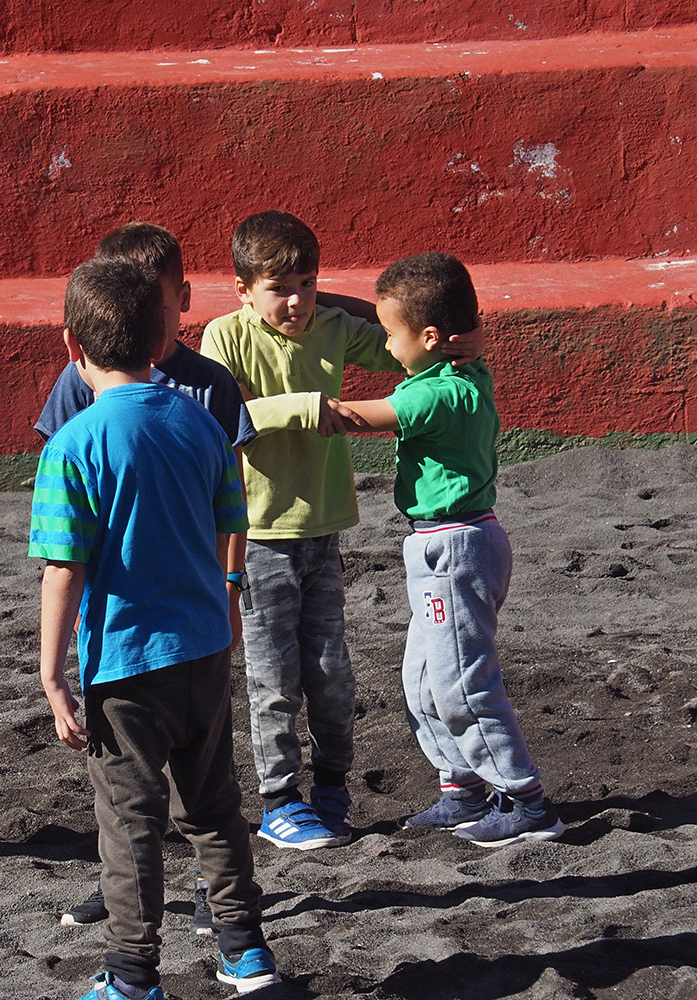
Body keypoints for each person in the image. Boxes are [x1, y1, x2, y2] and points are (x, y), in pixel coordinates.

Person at [31, 257, 279, 999]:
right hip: (203, 648)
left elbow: (64, 568)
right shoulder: (202, 423)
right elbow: (233, 519)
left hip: (125, 662)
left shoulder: (73, 445)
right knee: (214, 805)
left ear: (72, 345)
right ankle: (245, 951)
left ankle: (134, 974)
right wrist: (225, 596)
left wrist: (51, 674)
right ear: (163, 336)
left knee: (129, 821)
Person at [199, 211, 480, 850]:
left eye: (308, 284)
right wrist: (306, 407)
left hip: (323, 529)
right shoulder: (226, 336)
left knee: (330, 670)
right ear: (242, 290)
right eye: (279, 288)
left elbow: (398, 341)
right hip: (259, 534)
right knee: (273, 677)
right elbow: (222, 415)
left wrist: (458, 338)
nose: (297, 301)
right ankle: (279, 800)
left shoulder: (330, 326)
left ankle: (331, 788)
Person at [335, 252, 565, 847]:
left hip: (454, 549)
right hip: (438, 546)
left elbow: (354, 417)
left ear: (433, 337)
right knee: (421, 681)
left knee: (461, 683)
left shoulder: (437, 394)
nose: (386, 346)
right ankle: (463, 788)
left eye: (391, 334)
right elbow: (432, 322)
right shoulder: (466, 367)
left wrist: (262, 411)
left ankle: (527, 802)